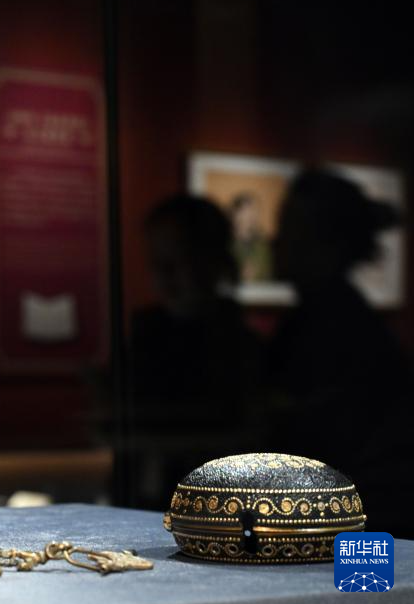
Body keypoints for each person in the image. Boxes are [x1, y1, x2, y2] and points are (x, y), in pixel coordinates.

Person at [268, 167, 412, 535]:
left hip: (354, 519)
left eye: (290, 229)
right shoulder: (324, 319)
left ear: (326, 244)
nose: (276, 240)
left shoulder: (338, 328)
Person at [129, 195, 263, 508]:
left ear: (211, 262)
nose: (164, 273)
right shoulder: (146, 335)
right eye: (157, 260)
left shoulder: (234, 344)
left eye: (179, 259)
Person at [230, 192, 273, 282]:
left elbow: (269, 271)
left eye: (255, 210)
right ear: (235, 213)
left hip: (260, 288)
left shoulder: (263, 242)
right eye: (247, 210)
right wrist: (239, 274)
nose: (252, 215)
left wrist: (257, 273)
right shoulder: (226, 241)